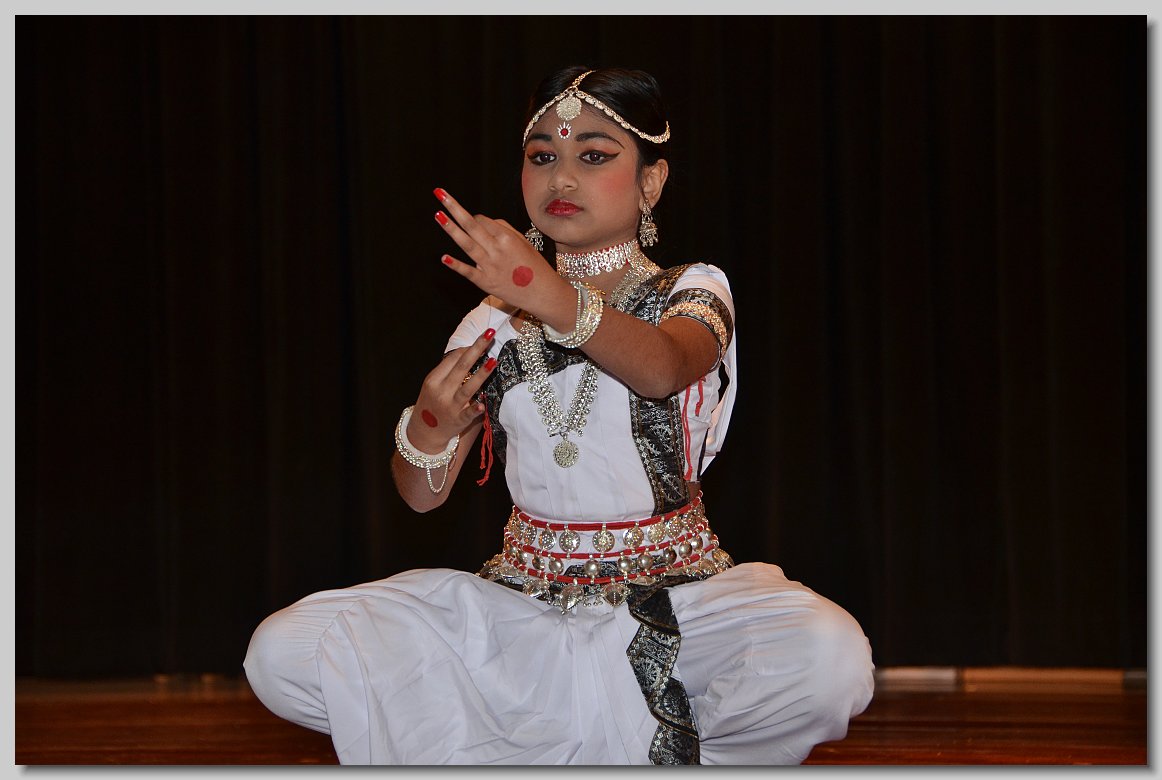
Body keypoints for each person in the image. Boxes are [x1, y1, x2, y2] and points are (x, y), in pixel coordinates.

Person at [244, 65, 874, 765]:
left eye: (594, 156)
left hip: (681, 602)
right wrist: (429, 424)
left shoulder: (691, 290)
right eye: (542, 157)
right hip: (529, 612)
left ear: (652, 181)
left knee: (829, 657)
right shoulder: (490, 322)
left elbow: (664, 368)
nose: (562, 177)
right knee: (285, 652)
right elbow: (421, 496)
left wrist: (543, 292)